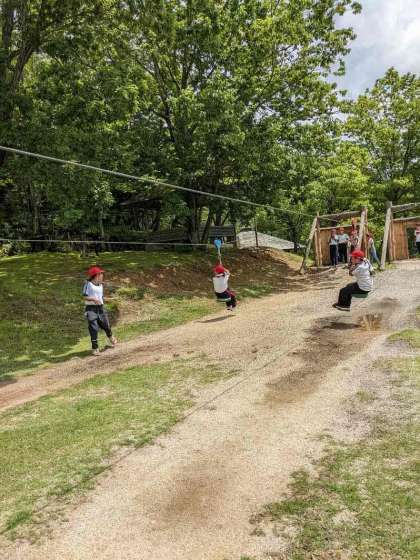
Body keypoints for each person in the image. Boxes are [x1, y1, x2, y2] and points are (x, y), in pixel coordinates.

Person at [83, 266, 117, 355]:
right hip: (91, 309)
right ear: (96, 275)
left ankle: (110, 337)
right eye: (101, 274)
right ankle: (95, 348)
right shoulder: (88, 284)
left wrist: (106, 300)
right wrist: (94, 299)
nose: (102, 275)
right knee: (93, 328)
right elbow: (85, 297)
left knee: (106, 325)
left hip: (100, 308)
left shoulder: (101, 285)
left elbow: (100, 297)